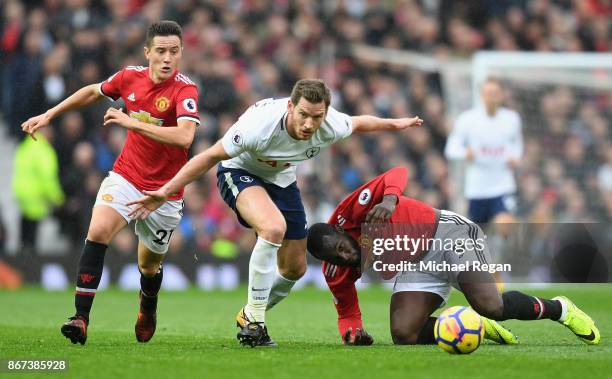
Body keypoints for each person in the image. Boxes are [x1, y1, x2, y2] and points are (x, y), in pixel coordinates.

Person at [127, 79, 423, 347]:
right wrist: (166, 190)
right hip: (240, 171)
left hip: (282, 179)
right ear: (291, 106)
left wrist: (395, 124)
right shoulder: (259, 127)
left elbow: (359, 123)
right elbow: (209, 156)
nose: (309, 124)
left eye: (317, 117)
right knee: (272, 228)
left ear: (326, 113)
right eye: (303, 114)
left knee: (295, 269)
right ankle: (255, 323)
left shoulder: (331, 125)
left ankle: (249, 313)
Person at [20, 20, 200, 345]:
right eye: (160, 51)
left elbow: (184, 136)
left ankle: (148, 303)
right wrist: (49, 115)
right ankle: (80, 317)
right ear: (148, 52)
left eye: (174, 51)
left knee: (148, 265)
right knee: (99, 230)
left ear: (181, 53)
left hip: (164, 192)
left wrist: (131, 123)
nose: (167, 58)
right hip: (126, 176)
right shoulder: (129, 77)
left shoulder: (185, 90)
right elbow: (92, 91)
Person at [306, 167, 600, 346]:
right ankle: (476, 328)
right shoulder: (337, 274)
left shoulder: (354, 211)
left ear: (341, 230)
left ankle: (560, 309)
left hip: (447, 235)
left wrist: (390, 198)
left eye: (343, 246)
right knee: (404, 333)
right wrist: (354, 334)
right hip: (415, 265)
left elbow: (396, 173)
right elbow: (347, 315)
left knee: (491, 305)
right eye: (339, 257)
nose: (346, 256)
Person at [444, 77, 523, 226]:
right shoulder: (467, 119)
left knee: (505, 225)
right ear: (481, 95)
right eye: (488, 93)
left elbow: (517, 145)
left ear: (501, 95)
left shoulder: (512, 119)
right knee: (478, 234)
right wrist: (465, 153)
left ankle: (501, 248)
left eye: (495, 93)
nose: (491, 97)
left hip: (503, 185)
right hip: (477, 188)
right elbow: (451, 148)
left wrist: (515, 157)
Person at [12, 126, 64, 255]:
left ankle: (23, 254)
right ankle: (31, 260)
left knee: (25, 229)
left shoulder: (25, 146)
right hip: (36, 195)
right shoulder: (45, 150)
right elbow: (48, 178)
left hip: (22, 193)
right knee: (33, 233)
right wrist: (58, 199)